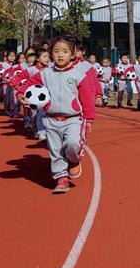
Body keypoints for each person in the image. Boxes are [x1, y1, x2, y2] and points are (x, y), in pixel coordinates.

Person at [17, 36, 97, 194]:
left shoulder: (79, 74)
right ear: (51, 54)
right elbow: (28, 84)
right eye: (56, 51)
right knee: (56, 151)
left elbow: (87, 98)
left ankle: (73, 160)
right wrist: (21, 94)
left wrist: (89, 119)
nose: (60, 55)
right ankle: (61, 179)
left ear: (72, 55)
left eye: (65, 51)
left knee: (73, 144)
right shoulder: (45, 73)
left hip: (74, 119)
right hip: (51, 120)